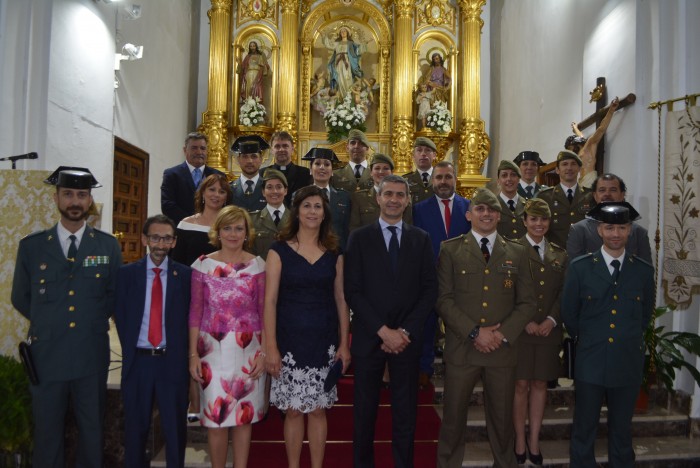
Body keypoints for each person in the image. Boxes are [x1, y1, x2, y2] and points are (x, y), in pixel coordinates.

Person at [11, 167, 122, 467]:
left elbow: (113, 295)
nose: (75, 200)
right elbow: (20, 297)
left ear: (89, 201)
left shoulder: (107, 245)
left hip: (90, 354)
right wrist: (51, 322)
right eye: (68, 194)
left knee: (92, 431)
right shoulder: (32, 247)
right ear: (56, 197)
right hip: (47, 355)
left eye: (82, 195)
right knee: (47, 434)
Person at [436, 188, 536, 468]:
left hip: (501, 352)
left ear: (499, 215)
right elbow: (443, 299)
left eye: (492, 210)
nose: (486, 214)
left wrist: (501, 334)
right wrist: (474, 332)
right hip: (462, 349)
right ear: (469, 215)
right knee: (453, 418)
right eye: (480, 209)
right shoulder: (451, 249)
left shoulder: (517, 252)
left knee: (503, 421)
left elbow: (527, 302)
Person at [345, 175, 438, 468]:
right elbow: (353, 290)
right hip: (369, 336)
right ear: (378, 198)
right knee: (364, 413)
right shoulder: (359, 238)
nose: (394, 199)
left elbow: (429, 290)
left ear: (408, 199)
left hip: (407, 340)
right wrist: (383, 331)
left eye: (400, 194)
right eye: (389, 194)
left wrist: (405, 331)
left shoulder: (420, 238)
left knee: (405, 413)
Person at [263, 185, 351, 468]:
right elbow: (270, 302)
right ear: (297, 211)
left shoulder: (335, 253)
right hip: (288, 343)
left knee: (317, 410)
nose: (313, 211)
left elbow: (341, 300)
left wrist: (344, 344)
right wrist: (271, 347)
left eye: (318, 206)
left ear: (325, 213)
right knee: (291, 411)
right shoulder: (278, 251)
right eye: (307, 206)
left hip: (323, 342)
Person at [561, 203, 654, 467]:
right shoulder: (580, 268)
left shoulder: (643, 271)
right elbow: (570, 313)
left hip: (627, 362)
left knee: (622, 431)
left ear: (630, 231)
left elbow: (644, 315)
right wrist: (593, 338)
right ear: (600, 230)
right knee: (584, 428)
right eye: (610, 227)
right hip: (591, 359)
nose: (616, 233)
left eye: (622, 227)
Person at [188, 206, 267, 468]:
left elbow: (265, 312)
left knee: (244, 420)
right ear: (217, 231)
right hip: (212, 351)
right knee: (216, 421)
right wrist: (193, 355)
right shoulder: (202, 265)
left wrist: (264, 353)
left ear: (247, 233)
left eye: (239, 228)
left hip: (249, 351)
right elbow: (195, 312)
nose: (233, 233)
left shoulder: (258, 265)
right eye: (227, 228)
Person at [114, 214, 192, 468]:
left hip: (172, 363)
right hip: (139, 362)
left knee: (174, 431)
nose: (160, 244)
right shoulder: (125, 275)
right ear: (144, 239)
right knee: (135, 430)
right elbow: (120, 316)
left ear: (174, 242)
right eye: (156, 237)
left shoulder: (187, 277)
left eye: (167, 238)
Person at [512, 199, 568, 466]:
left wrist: (551, 319)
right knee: (520, 384)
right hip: (520, 331)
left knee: (540, 384)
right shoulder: (511, 249)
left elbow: (562, 293)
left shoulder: (560, 253)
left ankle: (534, 439)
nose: (538, 224)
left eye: (543, 220)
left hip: (547, 331)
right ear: (524, 221)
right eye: (533, 219)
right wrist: (523, 321)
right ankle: (519, 440)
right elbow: (507, 291)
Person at [412, 161, 471, 388]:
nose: (443, 182)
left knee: (459, 325)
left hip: (460, 279)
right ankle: (424, 370)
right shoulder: (418, 209)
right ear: (432, 181)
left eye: (448, 177)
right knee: (426, 325)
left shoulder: (469, 207)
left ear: (455, 179)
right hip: (429, 277)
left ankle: (460, 370)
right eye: (439, 178)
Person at [567, 173, 652, 262]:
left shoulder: (639, 233)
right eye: (602, 190)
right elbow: (575, 271)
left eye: (613, 190)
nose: (607, 194)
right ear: (595, 195)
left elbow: (645, 272)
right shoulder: (579, 230)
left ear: (622, 195)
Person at [161, 132, 225, 225]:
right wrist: (192, 222)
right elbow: (167, 205)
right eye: (194, 148)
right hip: (181, 230)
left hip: (211, 229)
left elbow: (224, 205)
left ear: (207, 151)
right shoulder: (172, 174)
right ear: (185, 150)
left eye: (203, 148)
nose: (199, 152)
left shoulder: (219, 176)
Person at [171, 173, 233, 267]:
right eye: (212, 190)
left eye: (222, 191)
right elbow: (177, 263)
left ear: (226, 198)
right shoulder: (185, 225)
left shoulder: (232, 226)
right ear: (203, 193)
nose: (216, 195)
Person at [534, 150, 593, 248]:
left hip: (583, 252)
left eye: (573, 164)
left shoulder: (590, 196)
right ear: (557, 170)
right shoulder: (544, 196)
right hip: (555, 254)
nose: (569, 168)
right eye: (565, 164)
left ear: (579, 169)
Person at [303, 147, 352, 250]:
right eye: (317, 164)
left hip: (337, 253)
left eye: (327, 164)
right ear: (310, 170)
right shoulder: (300, 196)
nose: (322, 167)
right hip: (308, 251)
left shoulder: (344, 197)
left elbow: (347, 229)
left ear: (332, 171)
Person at [349, 153, 412, 231]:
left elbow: (408, 225)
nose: (381, 171)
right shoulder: (359, 197)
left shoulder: (402, 196)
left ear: (392, 172)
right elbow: (354, 227)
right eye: (377, 168)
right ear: (371, 172)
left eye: (386, 168)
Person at [568, 96, 621, 188]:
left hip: (590, 180)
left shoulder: (589, 145)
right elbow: (581, 136)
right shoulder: (579, 151)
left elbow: (601, 129)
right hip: (581, 181)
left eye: (570, 148)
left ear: (575, 144)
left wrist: (611, 110)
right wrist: (575, 128)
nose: (571, 151)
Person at [262, 130, 311, 206]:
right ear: (271, 150)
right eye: (277, 146)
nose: (281, 150)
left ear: (292, 149)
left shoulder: (305, 174)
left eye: (285, 146)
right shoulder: (262, 173)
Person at [252, 168, 291, 260]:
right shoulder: (252, 220)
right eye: (269, 187)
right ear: (263, 192)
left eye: (279, 187)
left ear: (285, 191)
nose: (274, 191)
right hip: (261, 271)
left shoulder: (296, 218)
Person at [323, 26, 366, 100]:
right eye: (341, 32)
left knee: (347, 78)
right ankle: (340, 99)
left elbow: (358, 50)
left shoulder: (351, 43)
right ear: (339, 34)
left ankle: (348, 98)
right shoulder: (337, 43)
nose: (343, 33)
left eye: (344, 31)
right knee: (339, 79)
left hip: (347, 63)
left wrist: (364, 44)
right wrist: (323, 36)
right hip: (338, 63)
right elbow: (329, 44)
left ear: (348, 33)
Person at [231, 135, 269, 212]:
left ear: (261, 159)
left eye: (254, 156)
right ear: (238, 160)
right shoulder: (229, 189)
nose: (249, 161)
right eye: (245, 157)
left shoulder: (269, 188)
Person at [495, 160, 527, 240]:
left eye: (513, 175)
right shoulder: (491, 206)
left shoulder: (528, 205)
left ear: (519, 179)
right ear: (498, 181)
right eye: (504, 175)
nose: (509, 179)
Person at [403, 137, 437, 206]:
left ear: (434, 155)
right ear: (413, 156)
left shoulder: (442, 178)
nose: (423, 154)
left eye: (427, 150)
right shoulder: (405, 180)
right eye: (419, 150)